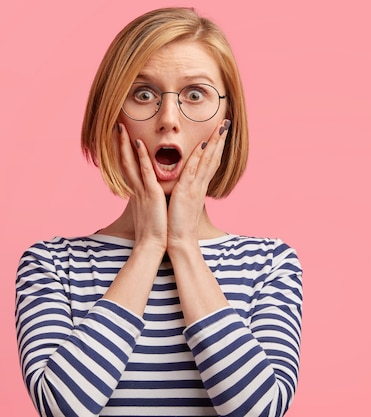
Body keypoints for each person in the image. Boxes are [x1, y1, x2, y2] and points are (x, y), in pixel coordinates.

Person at [15, 7, 303, 417]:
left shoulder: (270, 264)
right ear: (110, 115)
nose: (168, 120)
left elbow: (257, 411)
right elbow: (64, 409)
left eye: (195, 94)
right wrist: (149, 244)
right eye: (143, 94)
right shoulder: (51, 264)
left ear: (227, 122)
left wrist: (182, 244)